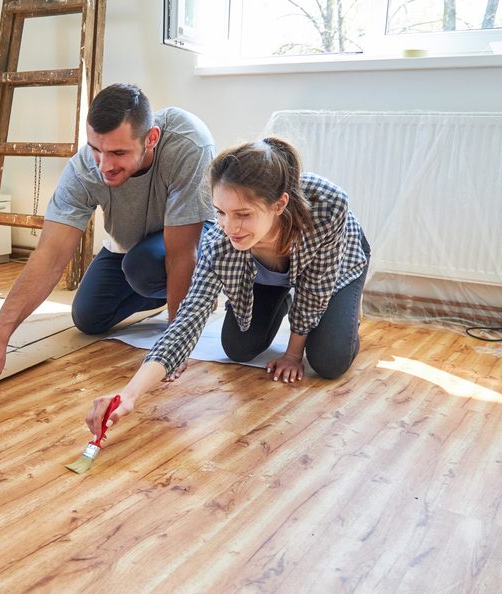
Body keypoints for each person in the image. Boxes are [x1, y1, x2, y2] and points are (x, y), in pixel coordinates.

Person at [85, 137, 371, 439]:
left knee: (329, 362)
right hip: (268, 275)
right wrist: (129, 394)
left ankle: (348, 312)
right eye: (221, 212)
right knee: (238, 348)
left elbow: (315, 287)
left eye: (243, 214)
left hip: (336, 266)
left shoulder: (326, 208)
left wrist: (292, 354)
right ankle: (279, 300)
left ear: (279, 204)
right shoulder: (221, 243)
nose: (229, 227)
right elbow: (187, 321)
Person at [0, 83, 216, 396]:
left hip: (188, 240)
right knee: (89, 317)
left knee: (145, 265)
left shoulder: (188, 143)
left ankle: (199, 293)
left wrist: (176, 342)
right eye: (96, 150)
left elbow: (182, 253)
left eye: (118, 153)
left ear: (151, 138)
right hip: (130, 245)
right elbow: (50, 255)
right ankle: (172, 292)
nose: (104, 166)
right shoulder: (85, 168)